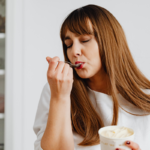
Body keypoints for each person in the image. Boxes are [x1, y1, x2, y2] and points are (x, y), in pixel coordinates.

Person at [33, 4, 150, 150]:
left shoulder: (146, 99)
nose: (74, 51)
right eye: (68, 44)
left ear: (110, 41)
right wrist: (60, 98)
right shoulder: (55, 90)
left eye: (85, 40)